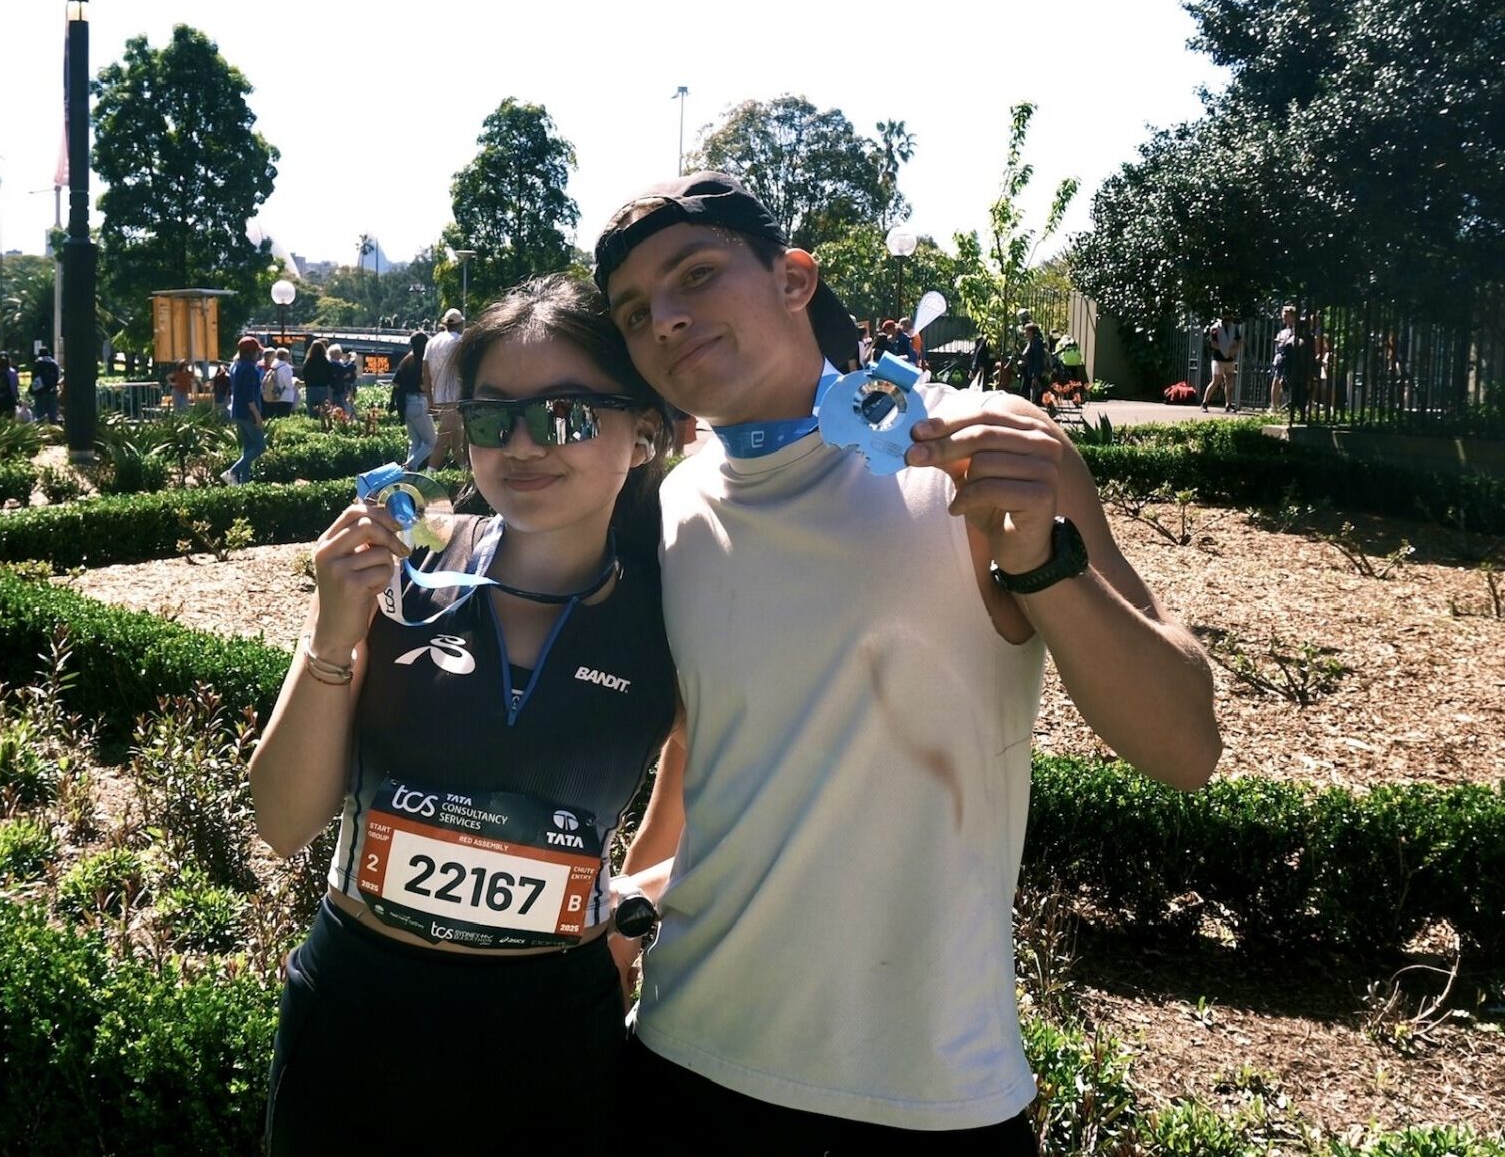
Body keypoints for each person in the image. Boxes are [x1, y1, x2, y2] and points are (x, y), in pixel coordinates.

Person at [593, 171, 1220, 1149]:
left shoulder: (980, 449)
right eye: (635, 311)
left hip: (926, 1095)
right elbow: (701, 736)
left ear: (794, 278)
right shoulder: (673, 500)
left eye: (698, 274)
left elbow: (1185, 745)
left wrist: (1040, 562)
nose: (666, 318)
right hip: (680, 1060)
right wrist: (631, 910)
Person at [249, 274, 677, 1152]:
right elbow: (281, 823)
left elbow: (717, 779)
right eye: (490, 418)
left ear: (642, 431)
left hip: (555, 1031)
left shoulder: (678, 611)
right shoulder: (406, 562)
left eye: (565, 414)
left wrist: (635, 908)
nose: (522, 444)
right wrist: (332, 635)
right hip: (357, 1009)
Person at [424, 306, 466, 470]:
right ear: (460, 324)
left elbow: (425, 373)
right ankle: (429, 475)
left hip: (439, 397)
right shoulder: (459, 341)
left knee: (456, 438)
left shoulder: (432, 342)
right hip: (455, 397)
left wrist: (430, 399)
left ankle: (465, 471)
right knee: (443, 439)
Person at [223, 336, 267, 485]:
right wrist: (257, 415)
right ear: (251, 352)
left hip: (237, 411)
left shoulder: (235, 365)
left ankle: (244, 484)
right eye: (257, 352)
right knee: (260, 446)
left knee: (248, 448)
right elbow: (249, 396)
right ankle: (232, 472)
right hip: (249, 412)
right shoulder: (250, 369)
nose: (259, 355)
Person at [389, 332, 434, 468]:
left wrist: (392, 404)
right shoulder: (423, 362)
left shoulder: (406, 360)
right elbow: (422, 386)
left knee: (415, 442)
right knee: (432, 442)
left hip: (406, 403)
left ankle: (409, 473)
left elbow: (396, 384)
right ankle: (409, 465)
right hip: (419, 402)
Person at [1203, 311, 1243, 413]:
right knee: (1215, 381)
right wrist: (1224, 350)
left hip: (1230, 359)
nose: (1228, 320)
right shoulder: (1215, 328)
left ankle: (1228, 404)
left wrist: (1234, 350)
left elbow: (1239, 341)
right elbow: (1213, 344)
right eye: (1226, 318)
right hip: (1218, 359)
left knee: (1229, 382)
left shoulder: (1234, 328)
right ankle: (1205, 402)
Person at [1269, 305, 1298, 411]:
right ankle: (1274, 406)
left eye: (1286, 315)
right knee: (1276, 381)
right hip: (1281, 360)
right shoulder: (1283, 331)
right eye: (1283, 315)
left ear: (1293, 316)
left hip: (1292, 359)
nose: (1284, 318)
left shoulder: (1298, 330)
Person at [300, 339, 334, 417]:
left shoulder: (308, 361)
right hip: (323, 387)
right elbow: (330, 375)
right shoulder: (325, 361)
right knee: (324, 411)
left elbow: (304, 374)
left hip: (310, 388)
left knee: (312, 411)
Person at [29, 348, 62, 423]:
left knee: (40, 413)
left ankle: (40, 430)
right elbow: (57, 378)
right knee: (52, 413)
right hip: (52, 391)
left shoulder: (38, 363)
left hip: (40, 391)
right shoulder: (54, 363)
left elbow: (33, 378)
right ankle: (54, 430)